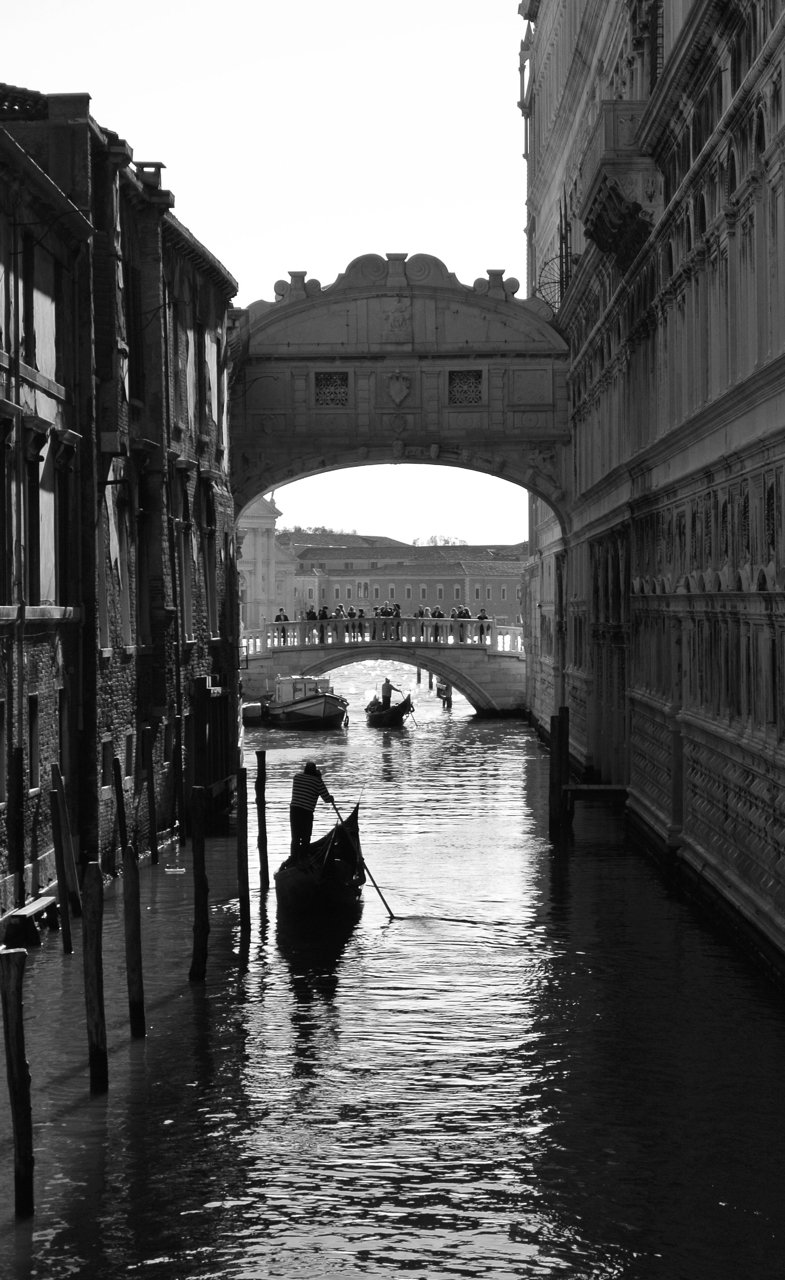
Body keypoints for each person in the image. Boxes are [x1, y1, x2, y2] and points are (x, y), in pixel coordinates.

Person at [289, 761, 333, 859]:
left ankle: (293, 858)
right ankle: (303, 858)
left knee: (295, 837)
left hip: (294, 810)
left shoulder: (297, 777)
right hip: (306, 812)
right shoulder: (317, 782)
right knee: (305, 838)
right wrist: (319, 778)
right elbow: (327, 799)